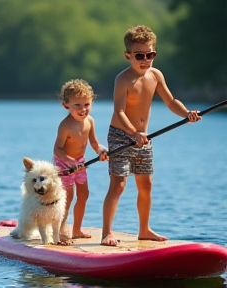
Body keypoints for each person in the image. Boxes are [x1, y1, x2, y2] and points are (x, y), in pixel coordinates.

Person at [101, 25, 202, 246]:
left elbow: (171, 101)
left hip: (143, 137)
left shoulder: (156, 75)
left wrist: (187, 113)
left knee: (145, 185)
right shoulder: (123, 79)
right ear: (128, 55)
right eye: (139, 55)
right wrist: (132, 133)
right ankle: (106, 232)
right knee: (118, 184)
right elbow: (118, 111)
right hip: (121, 134)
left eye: (150, 54)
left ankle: (144, 229)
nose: (146, 59)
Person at [54, 79, 108, 239]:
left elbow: (94, 142)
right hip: (64, 165)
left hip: (80, 163)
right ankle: (60, 230)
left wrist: (101, 150)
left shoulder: (90, 121)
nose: (83, 109)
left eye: (87, 104)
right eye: (77, 105)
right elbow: (57, 149)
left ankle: (76, 230)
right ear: (66, 106)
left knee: (84, 195)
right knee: (67, 197)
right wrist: (69, 161)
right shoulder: (65, 125)